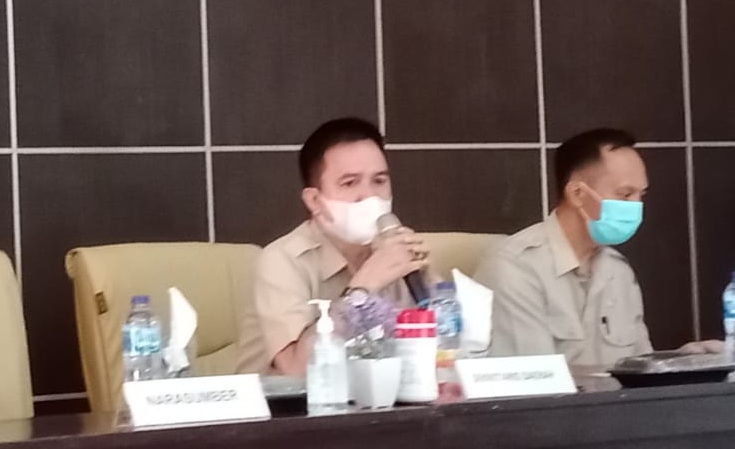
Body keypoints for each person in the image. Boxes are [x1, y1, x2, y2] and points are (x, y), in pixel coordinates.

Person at [238, 117, 431, 376]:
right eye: (350, 183)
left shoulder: (398, 251)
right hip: (291, 401)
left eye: (379, 181)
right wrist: (362, 290)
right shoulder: (282, 260)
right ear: (315, 201)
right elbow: (297, 370)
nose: (369, 195)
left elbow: (448, 344)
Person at [475, 128, 654, 366]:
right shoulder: (516, 266)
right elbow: (534, 379)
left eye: (641, 195)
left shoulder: (619, 271)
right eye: (625, 195)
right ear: (577, 194)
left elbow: (642, 369)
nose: (637, 206)